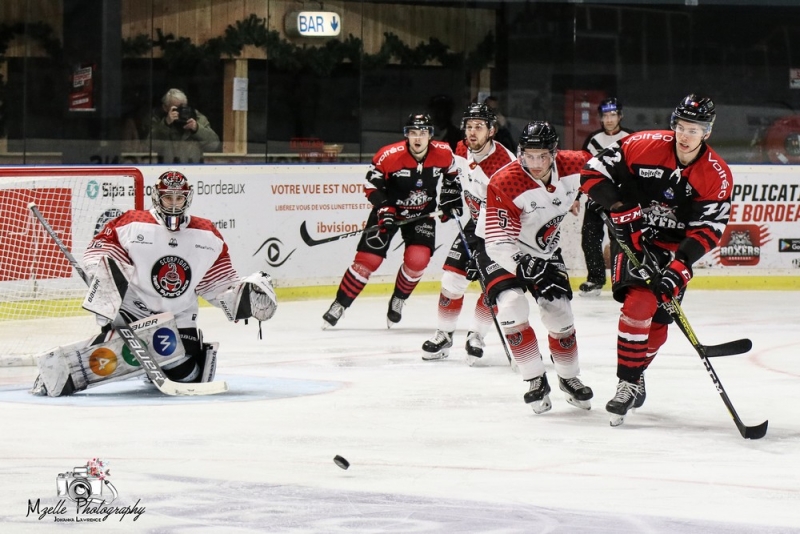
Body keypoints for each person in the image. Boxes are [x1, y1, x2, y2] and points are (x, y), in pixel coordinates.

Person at [31, 170, 277, 397]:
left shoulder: (207, 234)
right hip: (133, 313)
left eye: (178, 198)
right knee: (108, 361)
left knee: (189, 376)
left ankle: (163, 363)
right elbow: (100, 253)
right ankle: (54, 374)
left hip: (178, 316)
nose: (173, 203)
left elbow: (218, 282)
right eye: (167, 197)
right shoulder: (132, 223)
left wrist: (241, 297)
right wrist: (101, 273)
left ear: (187, 198)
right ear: (157, 196)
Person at [580, 94, 733, 427]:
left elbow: (709, 229)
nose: (686, 134)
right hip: (634, 238)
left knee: (660, 328)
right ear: (673, 124)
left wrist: (680, 267)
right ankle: (626, 384)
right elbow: (590, 173)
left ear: (707, 132)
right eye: (681, 126)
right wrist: (619, 208)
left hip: (675, 248)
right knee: (639, 305)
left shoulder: (716, 175)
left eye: (695, 129)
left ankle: (636, 373)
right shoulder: (642, 144)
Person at [481, 121, 593, 413]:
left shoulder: (575, 164)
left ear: (554, 153)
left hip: (545, 250)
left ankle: (569, 379)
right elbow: (497, 242)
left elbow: (610, 174)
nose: (535, 163)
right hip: (501, 251)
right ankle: (534, 379)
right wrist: (525, 265)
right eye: (528, 155)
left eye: (542, 156)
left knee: (559, 313)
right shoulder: (506, 181)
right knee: (512, 307)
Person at [322, 113, 461, 329]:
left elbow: (453, 175)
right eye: (413, 133)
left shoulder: (443, 153)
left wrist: (449, 200)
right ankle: (340, 304)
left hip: (421, 215)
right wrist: (384, 208)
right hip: (389, 212)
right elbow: (371, 185)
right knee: (367, 260)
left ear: (430, 135)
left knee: (418, 260)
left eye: (423, 133)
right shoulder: (388, 155)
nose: (418, 138)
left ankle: (399, 300)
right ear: (406, 135)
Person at [421, 103, 515, 363]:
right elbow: (454, 170)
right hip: (475, 225)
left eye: (479, 127)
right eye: (469, 127)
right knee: (451, 280)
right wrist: (450, 192)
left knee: (491, 287)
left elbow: (508, 211)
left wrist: (483, 248)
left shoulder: (504, 165)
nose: (472, 132)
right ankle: (444, 334)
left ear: (492, 131)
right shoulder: (462, 147)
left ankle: (477, 335)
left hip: (502, 230)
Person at [578, 97, 635, 297]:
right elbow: (583, 170)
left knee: (620, 239)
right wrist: (576, 198)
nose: (609, 119)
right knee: (590, 237)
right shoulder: (593, 140)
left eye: (613, 115)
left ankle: (622, 280)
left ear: (620, 116)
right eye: (605, 115)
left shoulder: (631, 137)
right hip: (596, 197)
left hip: (621, 199)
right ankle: (595, 279)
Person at [149, 88, 220, 163]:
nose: (180, 111)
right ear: (165, 108)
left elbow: (214, 145)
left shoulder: (199, 119)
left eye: (183, 107)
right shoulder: (158, 120)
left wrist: (197, 129)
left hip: (193, 168)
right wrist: (166, 124)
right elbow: (150, 145)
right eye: (176, 108)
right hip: (169, 168)